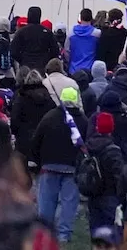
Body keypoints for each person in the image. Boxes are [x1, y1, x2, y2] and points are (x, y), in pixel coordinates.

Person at [30, 87, 87, 244]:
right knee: (69, 202)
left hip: (49, 166)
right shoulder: (82, 120)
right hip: (72, 167)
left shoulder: (49, 117)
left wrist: (38, 161)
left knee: (46, 201)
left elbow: (36, 140)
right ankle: (64, 235)